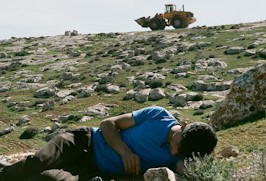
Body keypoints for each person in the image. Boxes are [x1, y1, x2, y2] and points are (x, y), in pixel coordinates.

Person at [0, 106, 218, 181]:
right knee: (37, 162)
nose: (175, 150)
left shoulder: (179, 156)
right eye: (179, 143)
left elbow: (192, 171)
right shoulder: (158, 115)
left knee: (47, 179)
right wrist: (124, 152)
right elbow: (107, 124)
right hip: (82, 141)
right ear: (183, 124)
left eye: (181, 151)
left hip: (92, 168)